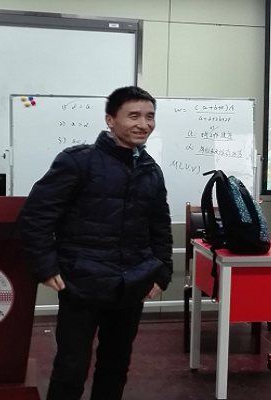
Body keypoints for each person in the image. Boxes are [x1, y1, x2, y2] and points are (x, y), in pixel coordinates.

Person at [19, 86, 173, 400]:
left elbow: (159, 226)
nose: (143, 124)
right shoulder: (78, 161)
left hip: (131, 284)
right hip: (82, 283)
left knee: (116, 365)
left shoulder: (150, 170)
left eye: (149, 116)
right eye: (133, 116)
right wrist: (45, 266)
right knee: (71, 367)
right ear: (110, 120)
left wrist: (162, 272)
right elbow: (36, 215)